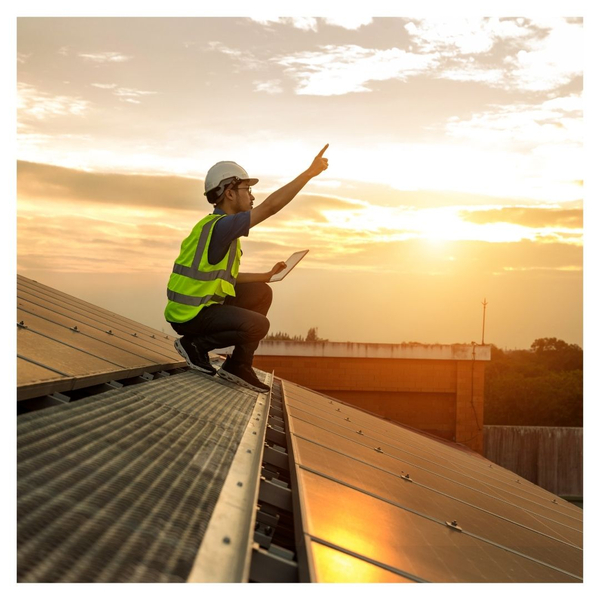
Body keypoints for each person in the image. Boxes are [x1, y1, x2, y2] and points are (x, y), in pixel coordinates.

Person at [164, 144, 329, 393]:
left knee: (262, 292)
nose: (252, 196)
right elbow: (271, 207)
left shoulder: (218, 227)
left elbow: (224, 277)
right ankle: (195, 346)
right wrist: (308, 174)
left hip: (200, 308)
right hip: (192, 315)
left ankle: (239, 365)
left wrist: (266, 275)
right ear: (229, 193)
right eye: (247, 189)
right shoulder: (222, 226)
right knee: (258, 326)